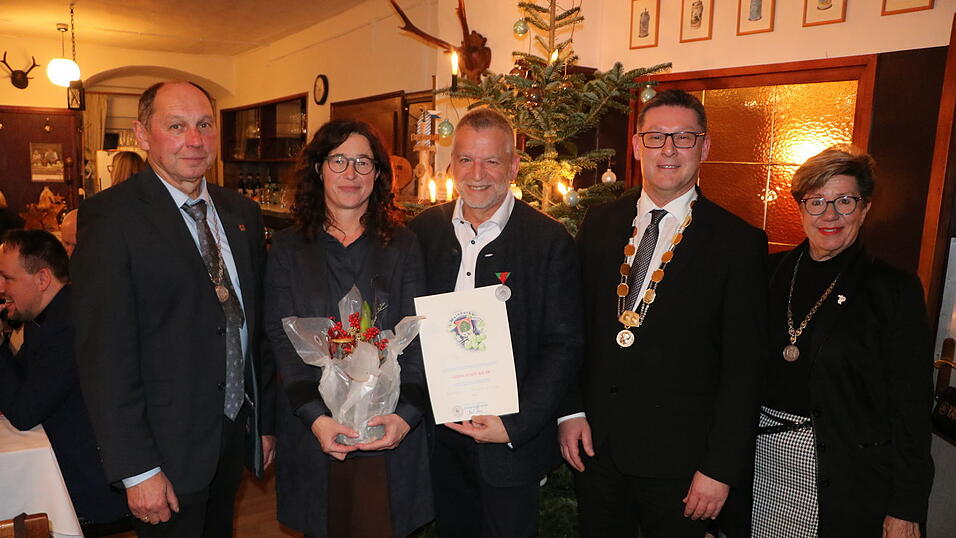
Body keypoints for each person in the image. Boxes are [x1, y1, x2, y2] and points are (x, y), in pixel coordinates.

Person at [558, 89, 767, 537]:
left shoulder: (737, 244)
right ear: (636, 146)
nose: (668, 149)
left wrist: (720, 469)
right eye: (655, 137)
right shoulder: (600, 223)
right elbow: (572, 330)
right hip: (598, 453)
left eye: (684, 137)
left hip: (683, 468)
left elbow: (743, 371)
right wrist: (569, 412)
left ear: (705, 148)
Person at [71, 81, 276, 537]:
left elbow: (251, 326)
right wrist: (137, 469)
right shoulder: (111, 218)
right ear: (143, 135)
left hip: (228, 435)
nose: (195, 140)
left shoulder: (242, 212)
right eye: (177, 126)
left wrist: (261, 422)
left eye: (204, 125)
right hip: (161, 450)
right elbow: (103, 356)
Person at [741, 146, 934, 537]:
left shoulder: (892, 289)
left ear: (864, 209)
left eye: (845, 201)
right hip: (762, 464)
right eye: (817, 201)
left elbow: (912, 404)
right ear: (800, 207)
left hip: (845, 477)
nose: (830, 215)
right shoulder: (765, 273)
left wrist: (906, 505)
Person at [408, 107, 583, 537]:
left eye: (491, 160)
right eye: (466, 159)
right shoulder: (422, 232)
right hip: (437, 437)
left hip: (508, 444)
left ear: (514, 165)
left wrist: (514, 425)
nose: (477, 173)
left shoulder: (548, 241)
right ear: (452, 166)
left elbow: (563, 345)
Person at [264, 119, 432, 537]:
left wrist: (405, 418)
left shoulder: (404, 244)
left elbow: (418, 338)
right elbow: (283, 342)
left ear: (378, 174)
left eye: (362, 162)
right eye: (339, 160)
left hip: (386, 427)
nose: (351, 174)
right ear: (319, 168)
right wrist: (317, 418)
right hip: (313, 427)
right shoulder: (286, 247)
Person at [0, 229, 128, 527]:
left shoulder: (68, 326)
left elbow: (22, 412)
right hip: (69, 456)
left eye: (8, 278)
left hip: (90, 484)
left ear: (42, 279)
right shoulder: (48, 313)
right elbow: (23, 379)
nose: (2, 287)